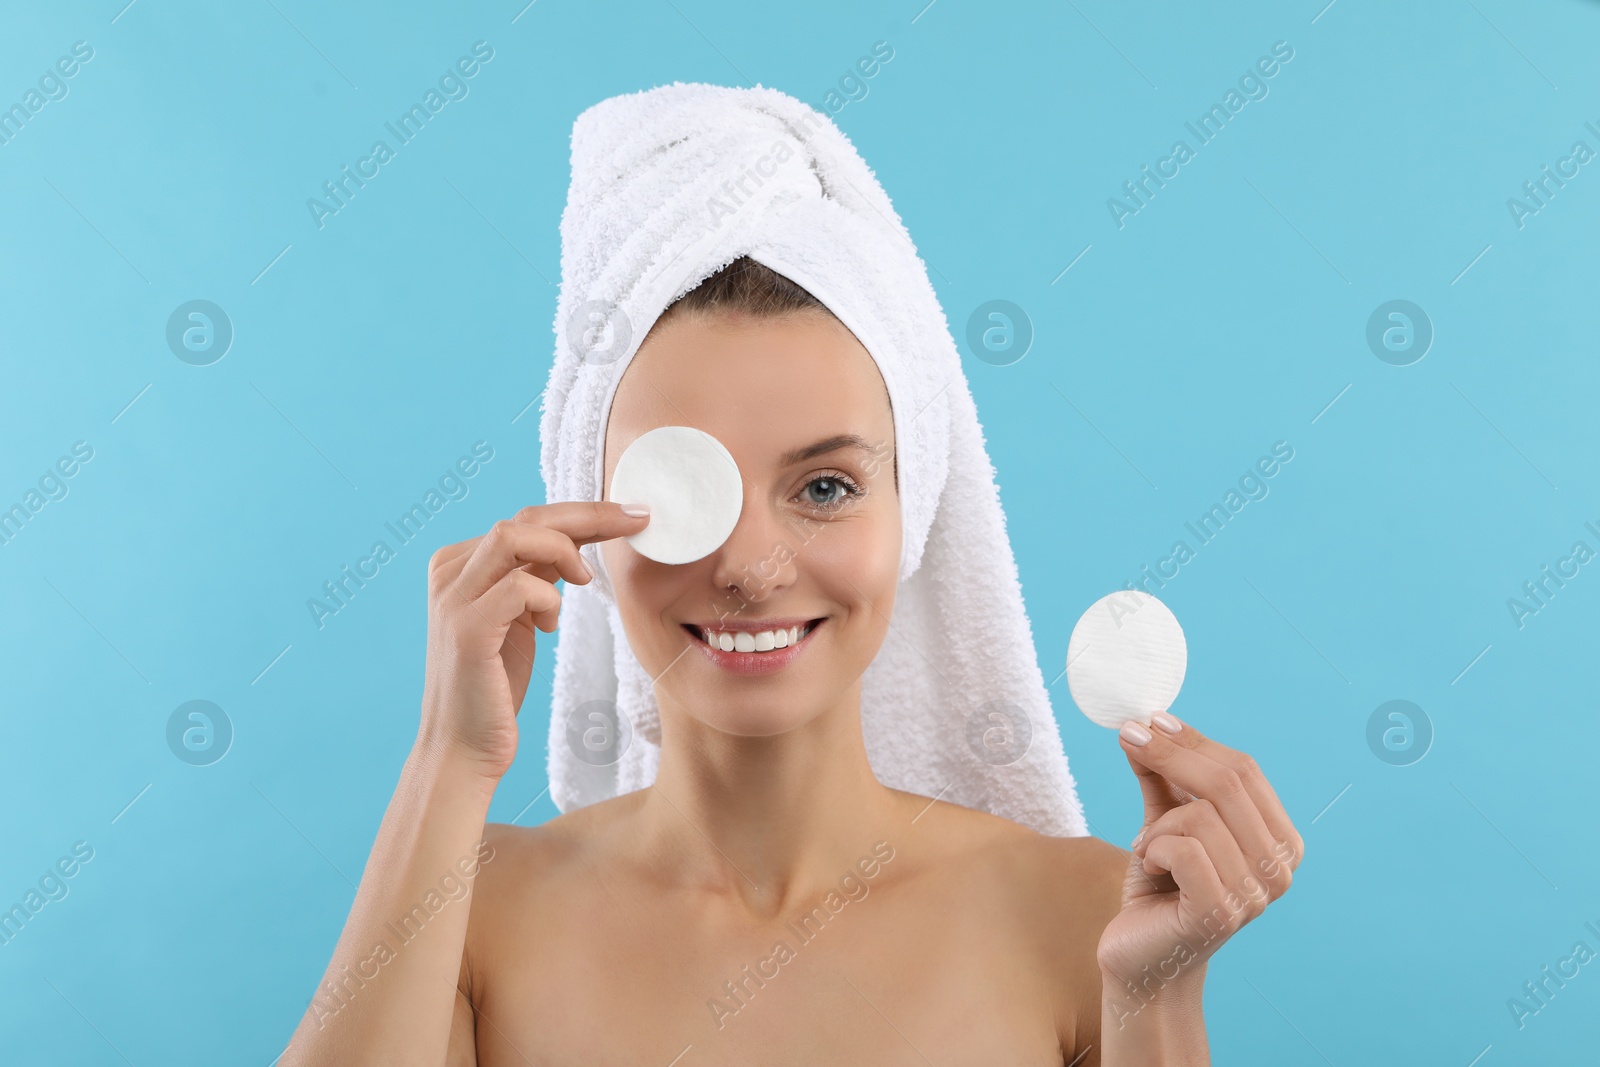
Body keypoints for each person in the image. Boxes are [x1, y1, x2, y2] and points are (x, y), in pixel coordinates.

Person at [281, 257, 1303, 1066]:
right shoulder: (467, 905)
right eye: (682, 490)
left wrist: (1152, 994)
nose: (750, 568)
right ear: (582, 517)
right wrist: (445, 761)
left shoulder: (1081, 915)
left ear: (914, 519)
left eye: (823, 487)